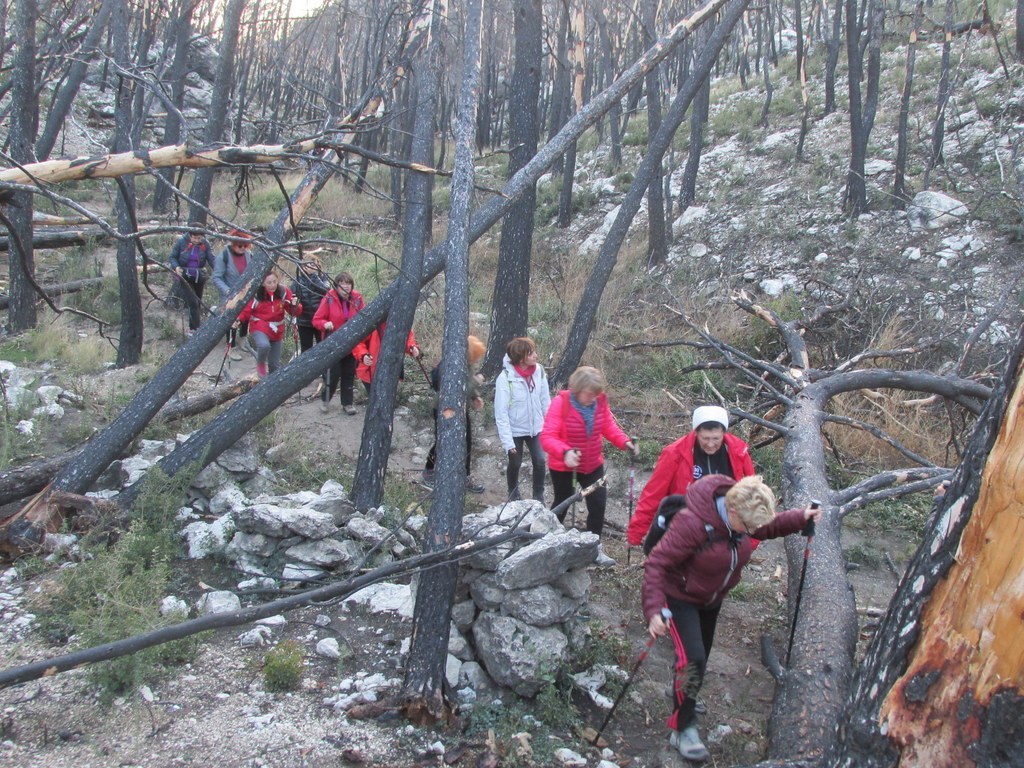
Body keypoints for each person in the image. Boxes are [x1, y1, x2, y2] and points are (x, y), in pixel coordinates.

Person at [642, 474, 822, 761]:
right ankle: (682, 727)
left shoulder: (741, 517)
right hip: (680, 597)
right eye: (748, 527)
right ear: (733, 511)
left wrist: (801, 517)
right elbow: (656, 564)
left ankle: (684, 694)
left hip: (711, 599)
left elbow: (767, 526)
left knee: (696, 659)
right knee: (694, 660)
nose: (752, 532)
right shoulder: (692, 523)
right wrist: (653, 611)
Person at [627, 405, 755, 547]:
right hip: (684, 524)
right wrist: (636, 533)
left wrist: (753, 540)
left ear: (724, 433)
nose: (711, 444)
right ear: (696, 432)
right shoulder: (675, 453)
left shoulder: (738, 452)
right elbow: (652, 495)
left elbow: (753, 494)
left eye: (716, 438)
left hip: (725, 525)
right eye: (705, 438)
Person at [540, 366, 638, 535]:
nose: (593, 398)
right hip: (564, 467)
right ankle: (545, 537)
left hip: (592, 464)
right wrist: (566, 452)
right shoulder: (560, 403)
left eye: (596, 393)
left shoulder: (599, 401)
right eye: (589, 393)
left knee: (598, 505)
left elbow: (608, 426)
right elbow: (547, 437)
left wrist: (625, 442)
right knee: (563, 503)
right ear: (576, 389)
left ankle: (594, 546)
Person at [423, 335, 485, 494]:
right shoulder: (452, 364)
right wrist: (476, 383)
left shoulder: (466, 364)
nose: (475, 361)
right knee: (442, 440)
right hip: (443, 409)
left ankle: (465, 476)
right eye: (475, 357)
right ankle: (429, 470)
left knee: (467, 442)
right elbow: (458, 389)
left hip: (461, 409)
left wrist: (475, 396)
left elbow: (466, 383)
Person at [494, 337, 551, 502]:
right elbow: (501, 413)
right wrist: (508, 442)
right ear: (520, 358)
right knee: (515, 462)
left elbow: (545, 400)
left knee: (540, 461)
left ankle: (538, 497)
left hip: (536, 428)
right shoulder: (505, 379)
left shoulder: (539, 371)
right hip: (515, 430)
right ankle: (513, 494)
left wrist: (550, 426)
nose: (536, 356)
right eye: (531, 353)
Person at [312, 271, 364, 414]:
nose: (345, 287)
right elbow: (316, 320)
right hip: (333, 343)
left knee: (349, 374)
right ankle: (325, 399)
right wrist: (325, 324)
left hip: (351, 344)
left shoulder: (357, 298)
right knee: (333, 374)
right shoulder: (329, 298)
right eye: (342, 284)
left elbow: (364, 317)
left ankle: (347, 404)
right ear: (336, 286)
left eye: (348, 283)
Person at [233, 270, 301, 378]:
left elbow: (294, 312)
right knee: (264, 345)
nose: (273, 285)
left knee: (274, 365)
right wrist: (238, 320)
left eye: (274, 281)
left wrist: (295, 305)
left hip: (278, 329)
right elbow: (246, 310)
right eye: (269, 283)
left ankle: (271, 386)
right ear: (263, 283)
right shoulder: (256, 294)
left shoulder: (283, 292)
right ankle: (260, 363)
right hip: (260, 325)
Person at [212, 229, 254, 361]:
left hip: (246, 293)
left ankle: (243, 339)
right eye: (240, 245)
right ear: (233, 244)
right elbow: (216, 277)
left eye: (245, 245)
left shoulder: (249, 255)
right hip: (230, 296)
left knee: (246, 317)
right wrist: (227, 291)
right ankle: (231, 347)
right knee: (231, 321)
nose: (243, 248)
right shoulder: (223, 256)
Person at [352, 321, 421, 396]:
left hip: (392, 368)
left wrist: (412, 347)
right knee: (376, 399)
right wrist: (363, 355)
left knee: (387, 398)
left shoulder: (400, 319)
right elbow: (357, 342)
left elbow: (407, 337)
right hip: (370, 370)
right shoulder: (370, 320)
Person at [168, 224, 214, 334]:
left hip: (199, 276)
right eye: (195, 237)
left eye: (199, 238)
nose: (197, 240)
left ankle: (195, 327)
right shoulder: (181, 242)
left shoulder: (205, 244)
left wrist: (219, 272)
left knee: (198, 302)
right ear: (190, 235)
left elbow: (212, 259)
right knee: (193, 302)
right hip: (185, 276)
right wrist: (176, 267)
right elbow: (172, 257)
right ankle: (194, 330)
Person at [289, 255, 331, 354]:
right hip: (304, 321)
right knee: (306, 349)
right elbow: (293, 296)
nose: (312, 266)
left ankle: (323, 368)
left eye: (314, 264)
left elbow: (325, 291)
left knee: (323, 347)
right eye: (309, 264)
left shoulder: (324, 278)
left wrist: (314, 276)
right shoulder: (297, 280)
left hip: (321, 319)